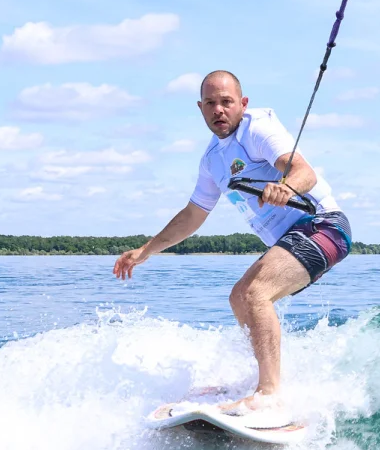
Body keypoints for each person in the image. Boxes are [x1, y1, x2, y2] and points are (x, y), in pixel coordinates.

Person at [113, 71, 351, 412]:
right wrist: (145, 251)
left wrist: (288, 187)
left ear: (242, 103)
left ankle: (269, 394)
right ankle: (258, 379)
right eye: (210, 103)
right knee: (239, 298)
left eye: (226, 102)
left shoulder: (257, 129)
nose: (218, 110)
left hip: (324, 227)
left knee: (256, 294)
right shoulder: (213, 160)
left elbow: (304, 172)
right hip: (292, 239)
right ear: (200, 108)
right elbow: (193, 215)